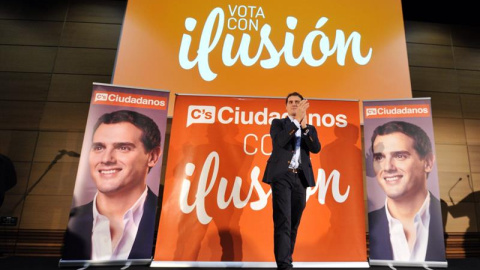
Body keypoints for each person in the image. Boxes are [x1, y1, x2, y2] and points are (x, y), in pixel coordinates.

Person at [62, 110, 162, 261]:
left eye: (123, 147)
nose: (106, 159)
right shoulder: (74, 220)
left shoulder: (165, 217)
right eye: (99, 147)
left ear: (152, 157)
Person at [368, 121, 445, 262]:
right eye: (379, 157)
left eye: (399, 156)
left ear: (427, 162)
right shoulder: (367, 224)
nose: (387, 167)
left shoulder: (442, 217)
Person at [262, 92, 321, 269]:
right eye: (291, 102)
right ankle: (284, 265)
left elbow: (315, 148)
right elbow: (279, 142)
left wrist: (304, 126)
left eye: (298, 102)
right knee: (283, 220)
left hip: (301, 178)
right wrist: (296, 122)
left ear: (303, 105)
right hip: (282, 176)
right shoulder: (278, 123)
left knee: (294, 221)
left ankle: (287, 258)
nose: (294, 104)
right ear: (286, 106)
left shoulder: (309, 128)